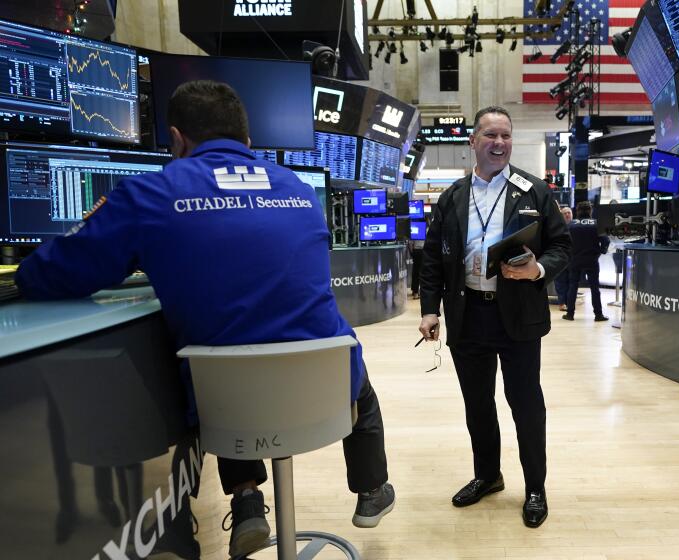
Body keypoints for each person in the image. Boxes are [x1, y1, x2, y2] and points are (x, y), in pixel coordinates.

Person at [14, 81, 394, 557]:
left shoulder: (149, 193)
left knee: (230, 358)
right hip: (324, 389)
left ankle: (247, 498)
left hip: (227, 403)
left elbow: (60, 272)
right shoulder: (295, 186)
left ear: (176, 139)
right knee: (355, 375)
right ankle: (371, 488)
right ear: (248, 141)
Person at [418, 106, 571, 528]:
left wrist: (536, 269)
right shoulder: (451, 197)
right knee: (478, 406)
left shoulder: (534, 190)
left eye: (505, 136)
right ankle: (488, 475)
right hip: (468, 316)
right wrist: (430, 309)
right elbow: (432, 259)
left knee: (525, 405)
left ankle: (535, 487)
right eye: (490, 135)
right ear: (474, 142)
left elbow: (561, 246)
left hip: (518, 317)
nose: (500, 143)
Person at [563, 201, 609, 322]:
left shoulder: (570, 225)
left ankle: (570, 314)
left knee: (573, 286)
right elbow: (606, 241)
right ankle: (598, 315)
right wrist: (601, 251)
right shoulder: (596, 224)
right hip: (592, 260)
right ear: (590, 211)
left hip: (574, 259)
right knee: (595, 288)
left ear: (577, 211)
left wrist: (569, 254)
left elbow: (563, 242)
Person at [553, 206, 574, 310]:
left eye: (569, 213)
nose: (567, 215)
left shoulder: (576, 227)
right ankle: (562, 303)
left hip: (573, 259)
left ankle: (569, 303)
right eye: (564, 213)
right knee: (560, 282)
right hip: (560, 258)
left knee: (571, 282)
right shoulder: (556, 227)